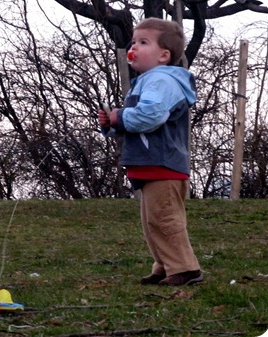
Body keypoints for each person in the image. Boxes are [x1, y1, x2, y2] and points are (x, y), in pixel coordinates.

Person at [98, 17, 203, 286]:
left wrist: (119, 116)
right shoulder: (146, 82)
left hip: (163, 163)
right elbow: (137, 124)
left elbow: (150, 116)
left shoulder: (161, 81)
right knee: (152, 222)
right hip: (148, 163)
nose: (134, 47)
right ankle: (165, 265)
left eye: (143, 42)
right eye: (133, 42)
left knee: (165, 218)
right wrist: (112, 125)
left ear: (164, 55)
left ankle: (185, 268)